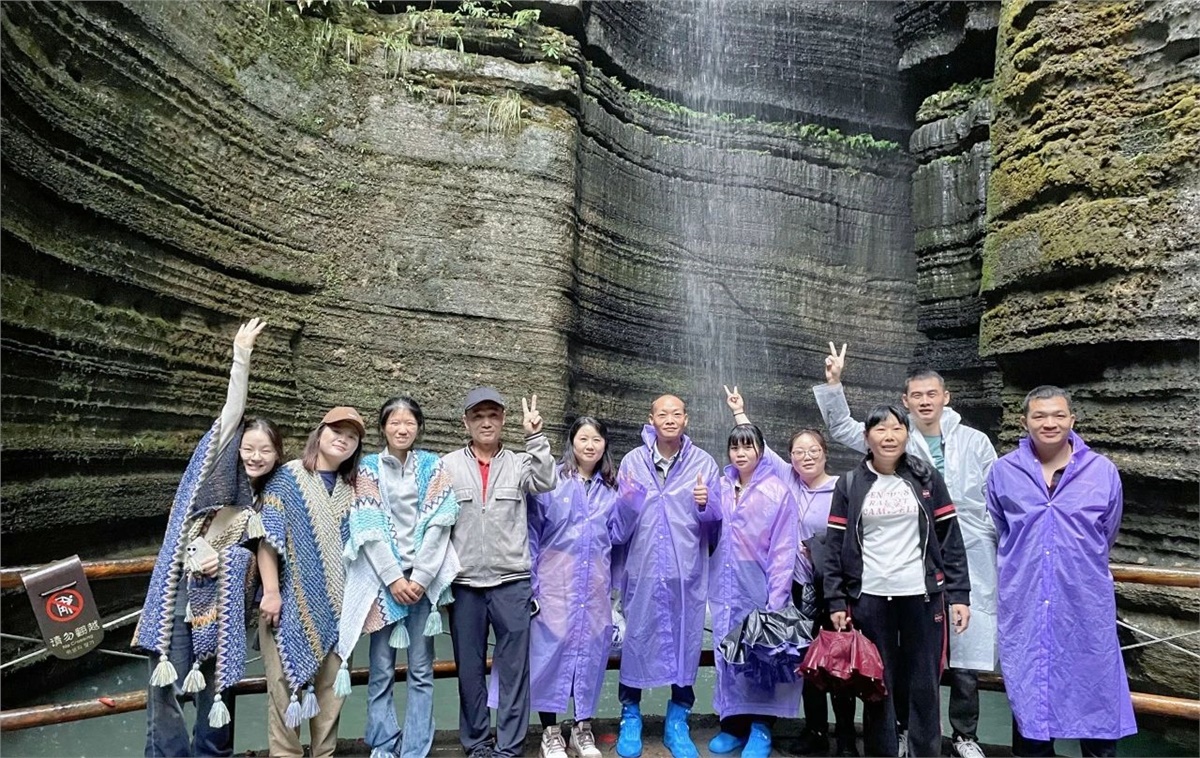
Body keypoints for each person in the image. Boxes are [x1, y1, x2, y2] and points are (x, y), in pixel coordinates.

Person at [814, 343, 998, 758]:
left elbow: (992, 498)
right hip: (876, 589)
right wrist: (834, 384)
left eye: (932, 394)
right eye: (917, 395)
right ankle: (893, 737)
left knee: (949, 662)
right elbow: (839, 541)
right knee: (885, 671)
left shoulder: (968, 445)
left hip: (948, 565)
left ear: (946, 396)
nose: (925, 401)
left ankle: (959, 736)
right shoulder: (862, 475)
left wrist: (963, 587)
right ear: (905, 401)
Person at [135, 318, 282, 757]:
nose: (255, 456)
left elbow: (270, 552)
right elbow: (230, 417)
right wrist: (241, 357)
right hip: (179, 598)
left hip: (227, 607)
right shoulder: (212, 481)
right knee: (165, 692)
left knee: (218, 693)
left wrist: (235, 560)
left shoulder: (272, 501)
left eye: (265, 450)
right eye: (248, 448)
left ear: (277, 455)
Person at [986, 386, 1136, 757]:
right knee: (1031, 705)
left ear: (1072, 419)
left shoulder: (1101, 471)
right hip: (1026, 605)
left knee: (1095, 699)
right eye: (1039, 415)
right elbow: (1002, 528)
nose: (1049, 423)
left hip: (1084, 605)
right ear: (1024, 422)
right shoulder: (1003, 472)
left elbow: (1106, 532)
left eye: (1058, 415)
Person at [823, 404, 972, 758]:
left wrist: (959, 595)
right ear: (866, 437)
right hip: (870, 597)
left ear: (907, 434)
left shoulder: (926, 478)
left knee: (925, 683)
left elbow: (950, 538)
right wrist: (836, 599)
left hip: (922, 596)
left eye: (896, 429)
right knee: (879, 682)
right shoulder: (849, 484)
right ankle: (884, 750)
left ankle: (925, 752)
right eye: (880, 429)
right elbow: (834, 545)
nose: (889, 436)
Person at [724, 387, 856, 756]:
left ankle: (846, 737)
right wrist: (739, 411)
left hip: (831, 588)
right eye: (798, 452)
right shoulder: (786, 481)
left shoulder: (841, 489)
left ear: (825, 454)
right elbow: (756, 449)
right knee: (805, 659)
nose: (806, 457)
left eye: (813, 451)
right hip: (795, 588)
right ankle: (815, 732)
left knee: (837, 659)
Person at [337, 396, 461, 758]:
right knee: (381, 668)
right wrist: (393, 578)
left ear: (419, 427)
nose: (402, 429)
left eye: (409, 422)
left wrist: (421, 577)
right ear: (383, 428)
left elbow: (441, 521)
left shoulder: (433, 466)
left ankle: (416, 748)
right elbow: (368, 526)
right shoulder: (368, 468)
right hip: (382, 583)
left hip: (423, 582)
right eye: (394, 422)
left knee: (421, 669)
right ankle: (383, 742)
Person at [443, 387, 557, 758]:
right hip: (465, 585)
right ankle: (477, 743)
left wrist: (535, 437)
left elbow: (546, 481)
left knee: (514, 671)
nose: (486, 422)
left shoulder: (520, 462)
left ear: (503, 420)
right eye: (478, 416)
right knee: (469, 671)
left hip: (512, 583)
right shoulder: (448, 466)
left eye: (493, 415)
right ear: (466, 422)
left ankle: (508, 747)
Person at [610, 394, 722, 758]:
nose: (670, 419)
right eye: (663, 413)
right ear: (651, 419)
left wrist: (706, 504)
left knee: (686, 642)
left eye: (676, 413)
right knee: (635, 639)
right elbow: (618, 526)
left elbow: (717, 528)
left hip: (684, 572)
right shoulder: (632, 461)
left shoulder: (703, 463)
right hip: (642, 569)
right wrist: (627, 503)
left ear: (686, 419)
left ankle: (678, 720)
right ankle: (630, 716)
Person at [257, 406, 366, 758]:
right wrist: (271, 592)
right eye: (337, 431)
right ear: (320, 433)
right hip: (286, 604)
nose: (343, 440)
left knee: (331, 693)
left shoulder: (355, 488)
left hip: (341, 607)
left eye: (351, 436)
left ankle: (324, 754)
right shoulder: (287, 478)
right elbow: (267, 541)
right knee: (283, 690)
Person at [706, 423, 801, 758]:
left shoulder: (777, 491)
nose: (741, 453)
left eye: (748, 446)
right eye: (735, 447)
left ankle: (761, 727)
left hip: (758, 582)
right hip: (724, 582)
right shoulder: (719, 486)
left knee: (761, 654)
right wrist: (701, 506)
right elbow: (707, 528)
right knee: (728, 652)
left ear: (761, 450)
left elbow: (783, 548)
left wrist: (777, 597)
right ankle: (732, 725)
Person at [527, 416, 620, 758]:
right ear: (572, 442)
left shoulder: (612, 489)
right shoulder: (552, 481)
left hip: (594, 586)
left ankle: (583, 729)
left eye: (596, 439)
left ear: (604, 445)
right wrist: (532, 584)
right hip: (555, 583)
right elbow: (532, 531)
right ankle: (550, 733)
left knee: (591, 656)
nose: (590, 445)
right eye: (584, 438)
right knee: (549, 655)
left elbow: (618, 537)